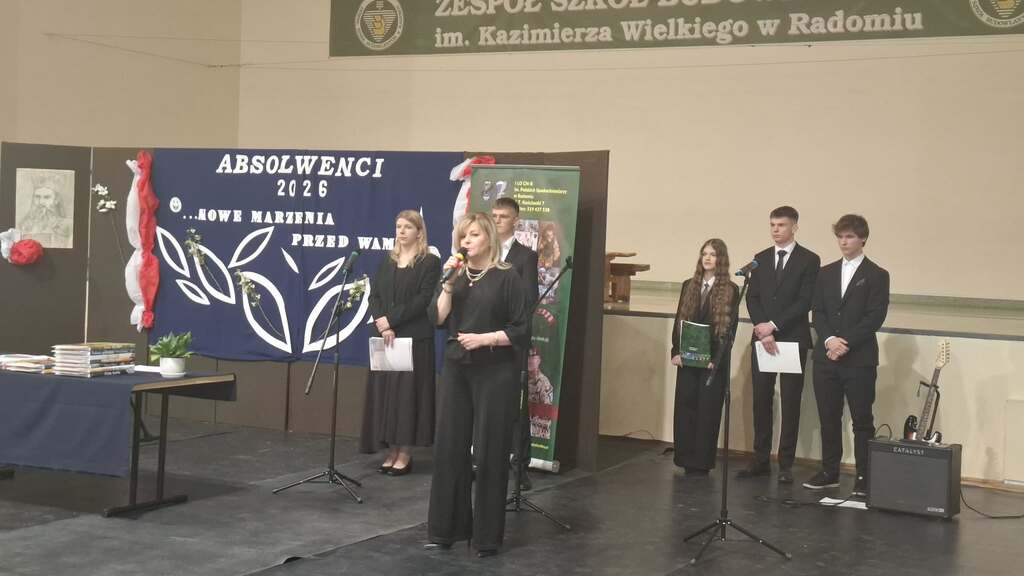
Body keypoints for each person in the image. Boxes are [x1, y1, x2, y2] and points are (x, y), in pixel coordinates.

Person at [426, 212, 529, 558]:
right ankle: (445, 530)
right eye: (462, 237)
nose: (465, 242)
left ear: (488, 239)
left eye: (472, 235)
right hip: (458, 366)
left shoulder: (507, 277)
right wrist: (447, 285)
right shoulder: (454, 276)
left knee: (489, 451)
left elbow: (521, 329)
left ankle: (486, 537)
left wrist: (485, 338)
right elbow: (437, 317)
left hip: (495, 370)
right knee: (450, 447)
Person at [802, 215, 889, 498]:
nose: (843, 241)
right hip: (826, 357)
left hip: (859, 359)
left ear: (862, 239)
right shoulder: (825, 273)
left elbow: (874, 316)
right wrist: (829, 340)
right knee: (828, 417)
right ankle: (829, 472)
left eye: (849, 236)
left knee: (862, 420)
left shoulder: (877, 275)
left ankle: (864, 476)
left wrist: (846, 342)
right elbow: (818, 312)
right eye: (840, 236)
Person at [737, 206, 820, 485]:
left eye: (781, 225)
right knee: (761, 399)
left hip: (792, 338)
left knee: (791, 401)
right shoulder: (760, 259)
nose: (775, 229)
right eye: (772, 224)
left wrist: (773, 325)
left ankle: (786, 463)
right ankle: (760, 459)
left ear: (794, 227)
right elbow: (753, 297)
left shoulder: (809, 259)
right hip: (763, 339)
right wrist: (763, 330)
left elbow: (805, 300)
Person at [360, 210, 441, 476]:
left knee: (407, 398)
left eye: (408, 227)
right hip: (386, 336)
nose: (402, 231)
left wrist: (391, 321)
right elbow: (375, 295)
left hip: (414, 338)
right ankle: (391, 450)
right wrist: (382, 323)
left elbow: (423, 300)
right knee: (387, 396)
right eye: (398, 226)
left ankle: (405, 453)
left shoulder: (429, 262)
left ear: (419, 232)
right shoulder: (387, 260)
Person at [669, 239, 740, 475]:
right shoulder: (688, 285)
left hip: (711, 363)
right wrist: (676, 352)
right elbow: (679, 320)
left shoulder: (730, 290)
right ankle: (685, 458)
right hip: (688, 359)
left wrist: (715, 360)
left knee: (707, 412)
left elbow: (729, 330)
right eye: (704, 254)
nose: (708, 258)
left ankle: (701, 462)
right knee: (685, 408)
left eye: (713, 254)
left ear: (721, 259)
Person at [491, 197, 538, 490]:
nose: (497, 220)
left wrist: (504, 327)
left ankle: (520, 466)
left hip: (511, 339)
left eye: (503, 216)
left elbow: (529, 299)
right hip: (483, 340)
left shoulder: (525, 256)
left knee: (517, 406)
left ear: (515, 221)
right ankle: (482, 460)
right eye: (494, 215)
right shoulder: (484, 251)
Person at [19, 184, 72, 248]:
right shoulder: (23, 225)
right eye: (37, 197)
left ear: (56, 200)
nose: (41, 202)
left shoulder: (69, 225)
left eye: (47, 197)